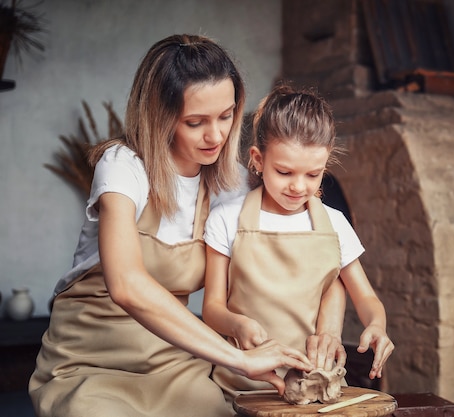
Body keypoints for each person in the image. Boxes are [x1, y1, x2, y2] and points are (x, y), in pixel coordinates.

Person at [28, 35, 315, 417]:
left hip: (174, 365)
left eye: (227, 115)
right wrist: (236, 359)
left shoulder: (231, 185)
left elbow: (323, 247)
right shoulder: (122, 166)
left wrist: (325, 331)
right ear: (160, 116)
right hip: (88, 364)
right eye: (196, 122)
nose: (216, 135)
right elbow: (127, 285)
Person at [203, 84, 395, 402]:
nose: (297, 186)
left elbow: (366, 297)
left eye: (312, 175)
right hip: (238, 382)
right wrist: (238, 325)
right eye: (284, 172)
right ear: (258, 160)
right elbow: (211, 308)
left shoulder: (334, 223)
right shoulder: (226, 218)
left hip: (310, 383)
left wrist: (376, 324)